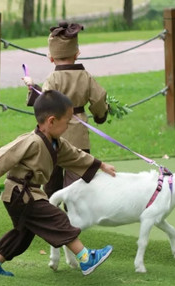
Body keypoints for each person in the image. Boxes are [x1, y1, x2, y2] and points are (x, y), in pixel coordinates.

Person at [0, 90, 116, 277]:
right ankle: (85, 257)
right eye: (66, 121)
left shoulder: (57, 143)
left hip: (29, 194)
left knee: (22, 234)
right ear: (51, 121)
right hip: (20, 194)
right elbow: (6, 154)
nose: (68, 126)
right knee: (57, 219)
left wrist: (100, 165)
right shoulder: (30, 141)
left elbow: (75, 155)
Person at [24, 22, 109, 199]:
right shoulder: (85, 76)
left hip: (53, 137)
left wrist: (33, 89)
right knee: (76, 184)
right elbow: (99, 98)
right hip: (78, 137)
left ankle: (50, 214)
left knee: (51, 179)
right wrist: (100, 115)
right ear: (77, 54)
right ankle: (73, 218)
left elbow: (45, 101)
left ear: (51, 58)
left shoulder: (53, 78)